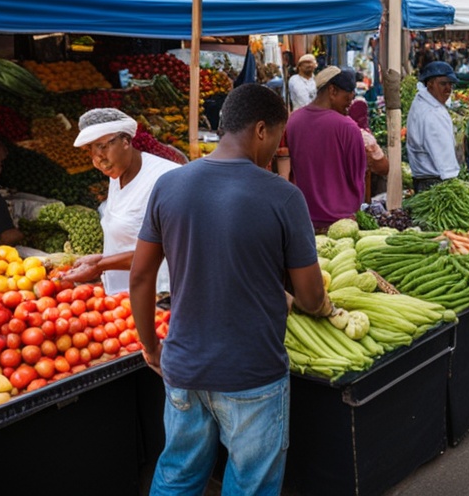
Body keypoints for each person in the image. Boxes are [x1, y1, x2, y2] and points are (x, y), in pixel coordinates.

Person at [130, 83, 335, 495]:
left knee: (177, 474)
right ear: (262, 129)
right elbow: (312, 296)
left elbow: (139, 276)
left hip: (184, 366)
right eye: (278, 137)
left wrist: (152, 346)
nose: (278, 147)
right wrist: (320, 304)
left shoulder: (170, 185)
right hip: (251, 373)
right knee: (250, 483)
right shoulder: (284, 197)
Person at [61, 109, 181, 295]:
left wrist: (100, 265)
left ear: (126, 141)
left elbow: (168, 250)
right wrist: (100, 260)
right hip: (124, 296)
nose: (97, 158)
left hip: (160, 296)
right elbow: (133, 238)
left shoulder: (166, 179)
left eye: (102, 146)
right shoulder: (117, 174)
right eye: (91, 150)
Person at [286, 67, 366, 230]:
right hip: (341, 223)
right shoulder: (348, 127)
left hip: (303, 219)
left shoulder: (293, 121)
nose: (349, 106)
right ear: (332, 91)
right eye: (347, 99)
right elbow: (357, 178)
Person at [406, 61, 461, 192]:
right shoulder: (432, 113)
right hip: (434, 184)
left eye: (451, 84)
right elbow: (444, 159)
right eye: (443, 84)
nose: (448, 88)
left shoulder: (422, 102)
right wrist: (454, 186)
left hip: (425, 180)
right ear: (430, 83)